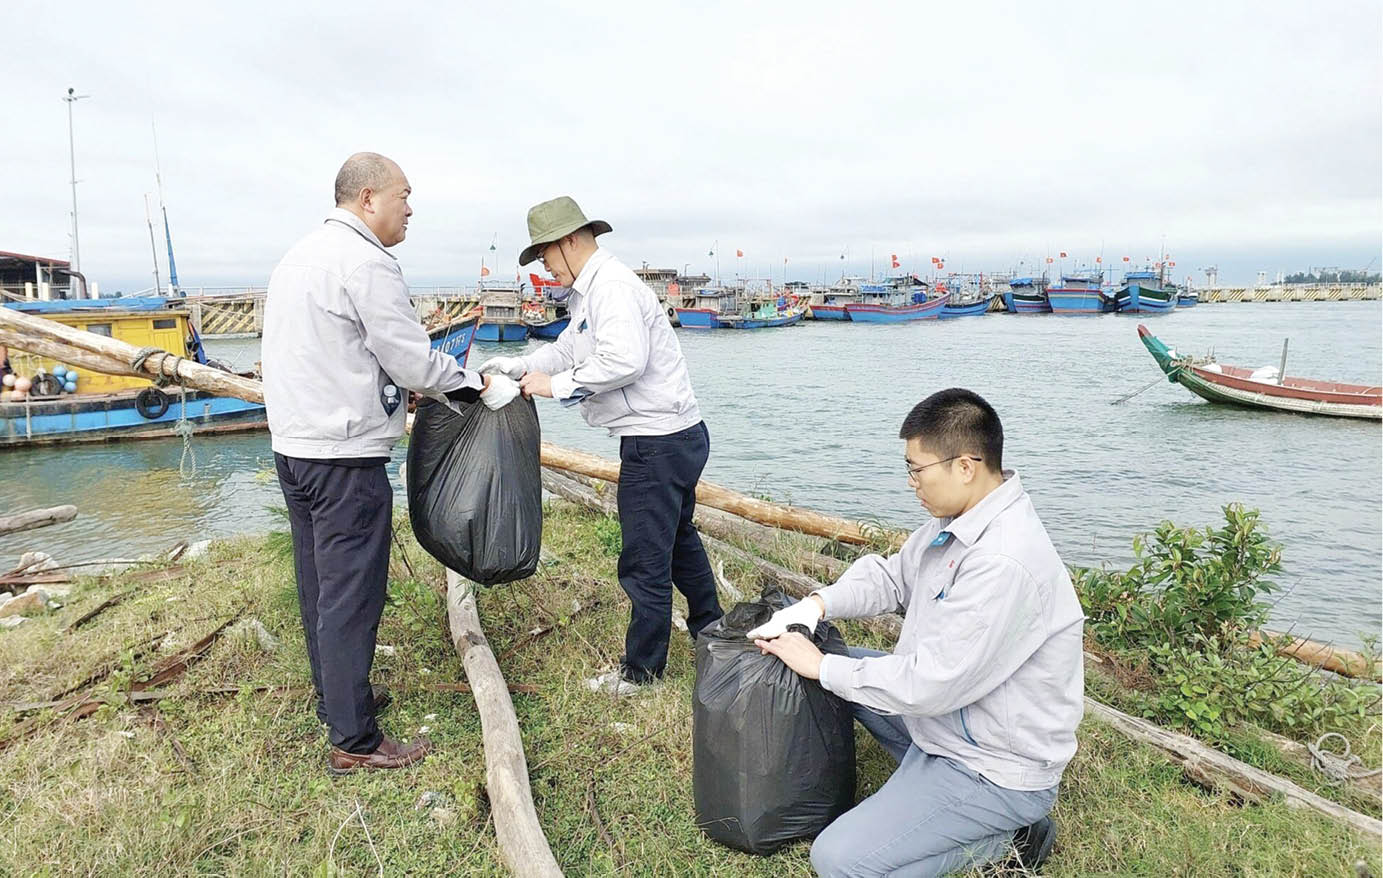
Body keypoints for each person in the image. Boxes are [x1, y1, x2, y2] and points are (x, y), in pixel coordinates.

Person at [747, 388, 1084, 877]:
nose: (911, 483)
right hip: (953, 723)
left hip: (991, 765)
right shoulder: (957, 522)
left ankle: (1010, 837)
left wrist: (822, 666)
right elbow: (891, 576)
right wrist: (817, 604)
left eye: (916, 469)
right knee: (839, 667)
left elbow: (932, 684)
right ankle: (926, 787)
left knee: (838, 860)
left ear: (965, 466)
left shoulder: (1004, 561)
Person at [262, 152, 519, 774]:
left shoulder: (299, 256)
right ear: (368, 198)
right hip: (344, 457)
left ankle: (338, 700)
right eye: (405, 196)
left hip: (295, 448)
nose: (411, 208)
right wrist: (469, 384)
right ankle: (354, 741)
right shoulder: (367, 262)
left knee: (320, 584)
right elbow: (409, 358)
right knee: (352, 593)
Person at [479, 196, 722, 694]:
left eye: (545, 255)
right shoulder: (592, 292)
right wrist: (523, 365)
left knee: (644, 559)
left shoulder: (610, 287)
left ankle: (642, 673)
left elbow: (624, 360)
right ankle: (711, 632)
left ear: (570, 241)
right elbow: (571, 346)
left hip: (657, 441)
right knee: (678, 540)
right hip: (674, 435)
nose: (544, 267)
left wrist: (554, 386)